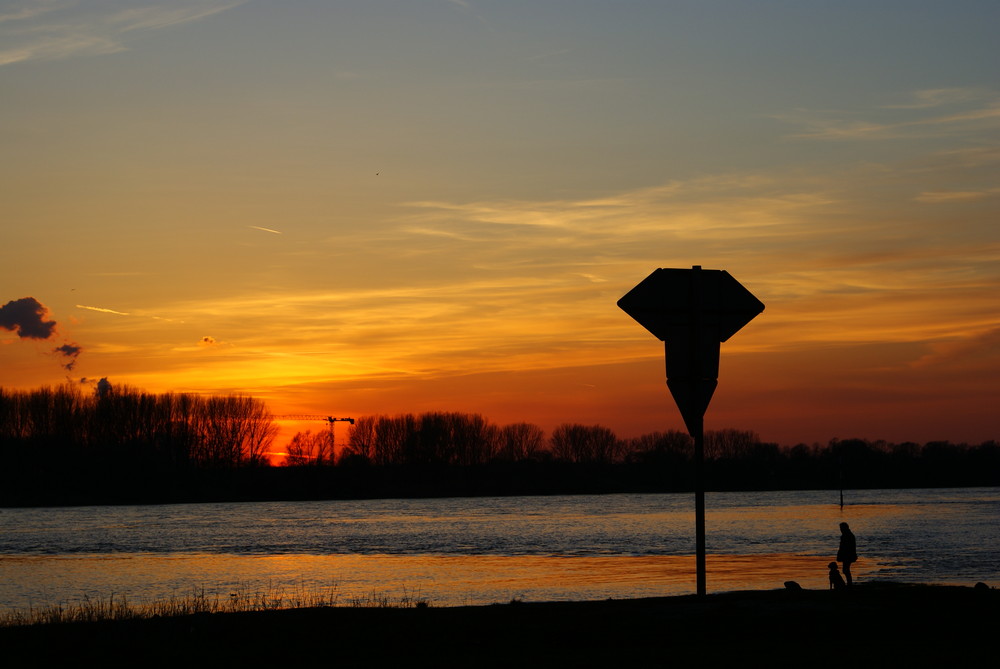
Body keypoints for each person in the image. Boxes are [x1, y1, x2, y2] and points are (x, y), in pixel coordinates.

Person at [837, 522, 858, 586]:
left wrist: (840, 555)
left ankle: (849, 584)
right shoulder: (848, 535)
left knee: (846, 570)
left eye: (841, 528)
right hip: (848, 555)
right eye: (840, 528)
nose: (840, 530)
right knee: (846, 570)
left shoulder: (847, 535)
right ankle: (849, 584)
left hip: (847, 555)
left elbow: (844, 547)